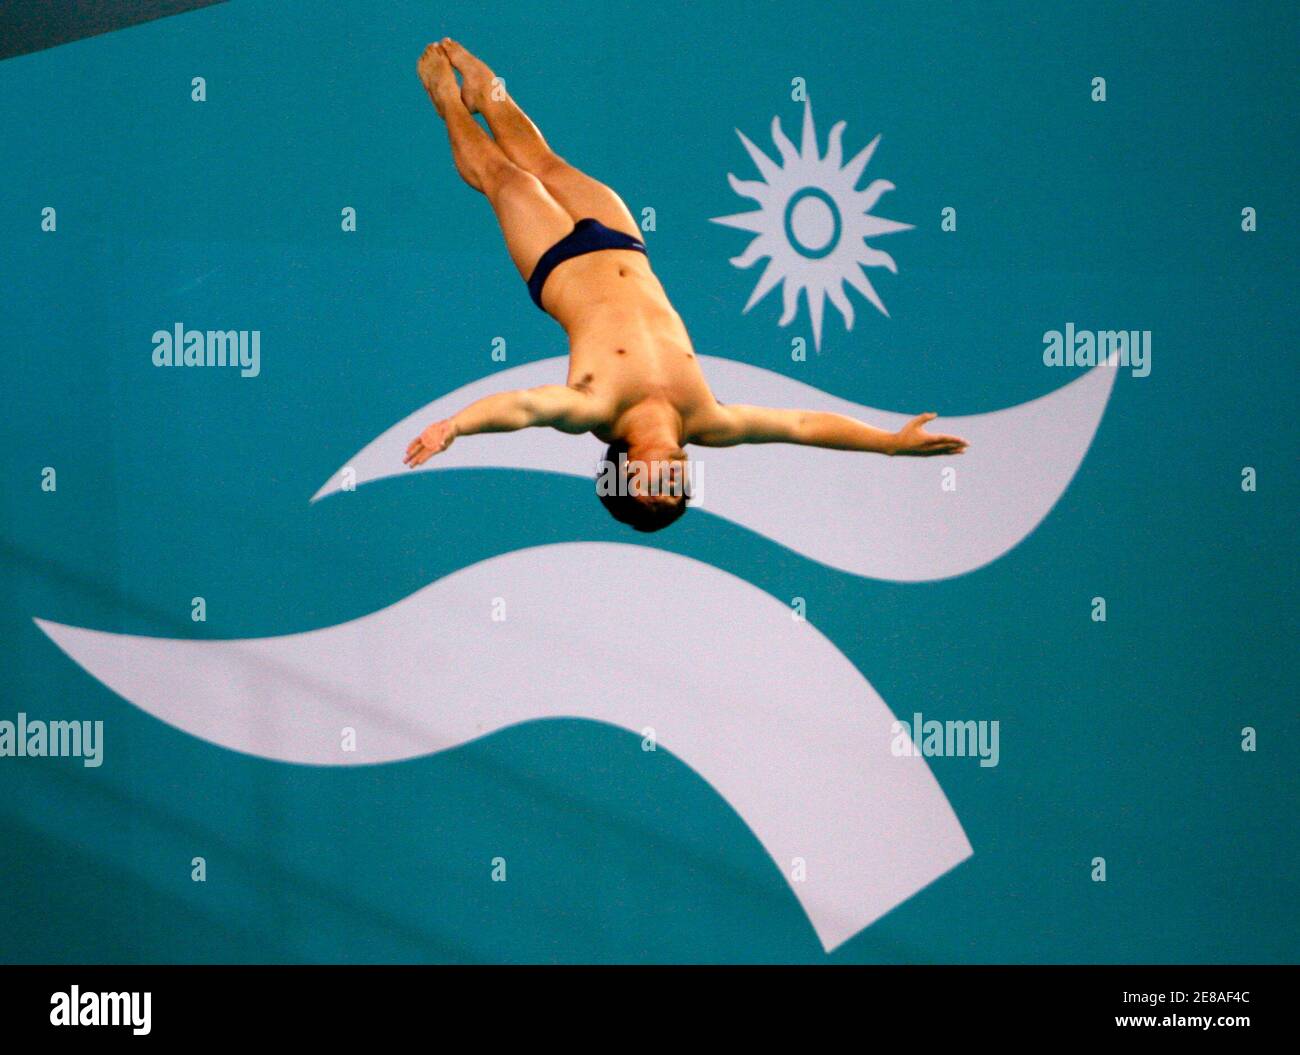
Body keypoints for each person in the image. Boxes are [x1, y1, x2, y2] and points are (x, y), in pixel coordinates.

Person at [405, 39, 967, 532]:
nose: (675, 478)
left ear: (624, 471)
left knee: (508, 178)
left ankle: (450, 107)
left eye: (657, 485)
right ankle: (487, 94)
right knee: (544, 162)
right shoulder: (706, 420)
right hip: (624, 243)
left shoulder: (594, 408)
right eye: (680, 488)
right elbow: (801, 424)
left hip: (556, 264)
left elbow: (524, 407)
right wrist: (888, 443)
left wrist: (456, 426)